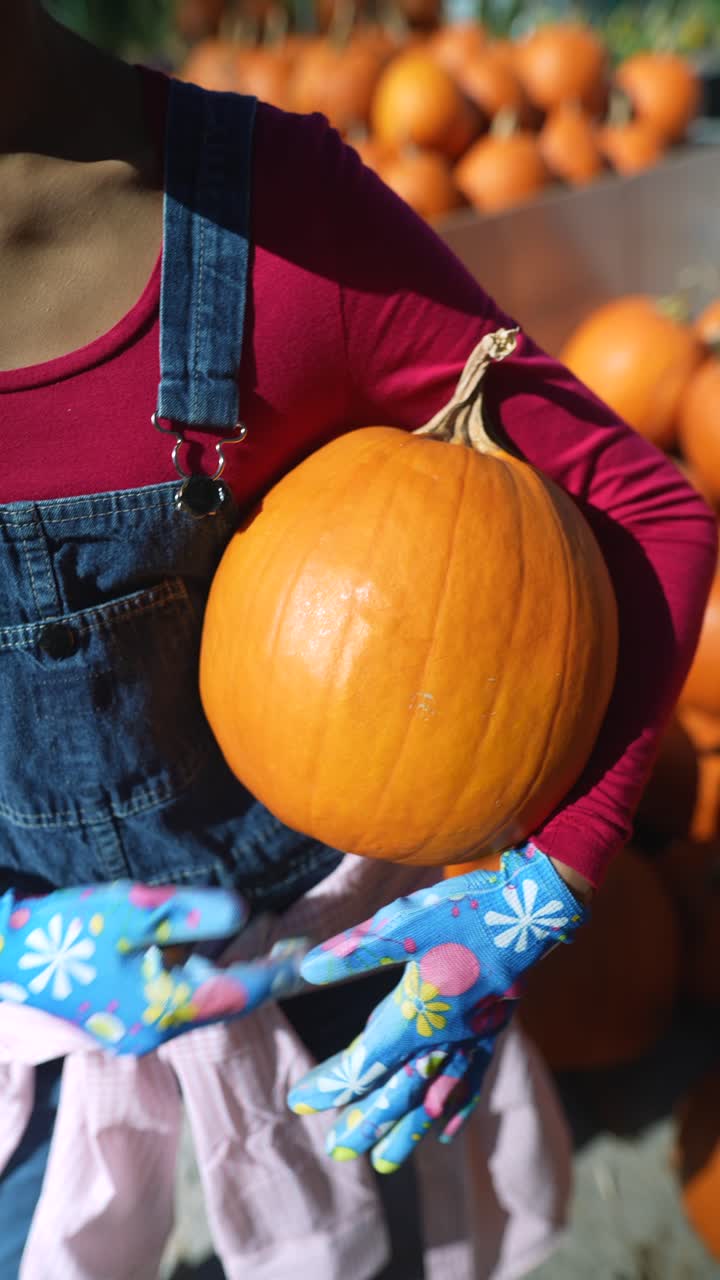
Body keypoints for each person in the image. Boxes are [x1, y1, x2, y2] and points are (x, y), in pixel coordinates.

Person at [0, 2, 716, 1277]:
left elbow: (649, 507)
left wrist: (539, 883)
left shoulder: (274, 216)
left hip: (320, 961)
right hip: (23, 1018)